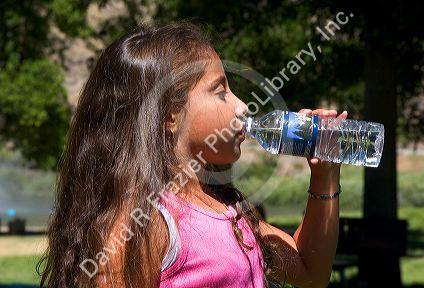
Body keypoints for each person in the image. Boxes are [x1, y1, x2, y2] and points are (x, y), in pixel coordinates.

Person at [37, 21, 348, 288]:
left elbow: (311, 272)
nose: (242, 106)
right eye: (220, 90)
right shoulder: (145, 223)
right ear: (170, 113)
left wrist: (325, 175)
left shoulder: (228, 210)